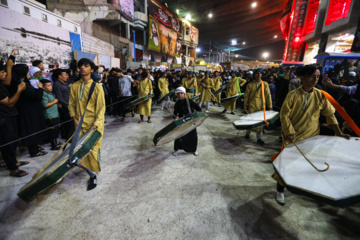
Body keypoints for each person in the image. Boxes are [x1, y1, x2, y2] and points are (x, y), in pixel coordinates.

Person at [274, 65, 351, 205]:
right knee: (286, 164)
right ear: (302, 78)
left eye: (318, 76)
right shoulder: (292, 95)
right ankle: (280, 189)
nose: (316, 79)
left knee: (304, 164)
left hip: (312, 137)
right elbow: (284, 115)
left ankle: (299, 186)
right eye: (313, 76)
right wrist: (289, 131)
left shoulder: (320, 95)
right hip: (293, 136)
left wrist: (339, 132)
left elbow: (330, 114)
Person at [68, 58, 105, 173]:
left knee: (93, 149)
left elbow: (101, 108)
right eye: (81, 66)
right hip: (79, 124)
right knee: (81, 148)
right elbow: (71, 105)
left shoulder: (97, 87)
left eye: (86, 65)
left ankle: (93, 171)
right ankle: (85, 168)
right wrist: (74, 120)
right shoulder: (74, 86)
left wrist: (96, 124)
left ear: (92, 69)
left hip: (94, 125)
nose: (83, 68)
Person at [0, 59, 29, 177]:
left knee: (12, 142)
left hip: (9, 116)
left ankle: (13, 162)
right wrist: (19, 90)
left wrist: (9, 67)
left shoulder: (1, 84)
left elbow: (7, 82)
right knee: (7, 143)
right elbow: (10, 103)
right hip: (3, 118)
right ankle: (13, 169)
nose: (5, 74)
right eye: (2, 72)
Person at [13, 64, 48, 157]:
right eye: (26, 72)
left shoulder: (25, 82)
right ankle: (34, 150)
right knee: (31, 130)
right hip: (29, 111)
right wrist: (40, 88)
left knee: (34, 129)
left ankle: (35, 147)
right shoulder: (22, 85)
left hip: (32, 110)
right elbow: (36, 97)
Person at [243, 68, 272, 145]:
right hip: (252, 105)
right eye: (257, 73)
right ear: (254, 74)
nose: (259, 75)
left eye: (260, 73)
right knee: (250, 120)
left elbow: (268, 95)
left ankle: (259, 139)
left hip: (261, 106)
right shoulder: (250, 84)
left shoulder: (264, 84)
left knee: (260, 123)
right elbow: (246, 96)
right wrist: (245, 105)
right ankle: (247, 134)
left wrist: (270, 105)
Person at [172, 87, 202, 156]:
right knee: (178, 136)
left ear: (184, 94)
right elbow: (174, 114)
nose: (180, 95)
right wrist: (176, 116)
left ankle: (194, 150)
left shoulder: (189, 101)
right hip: (181, 122)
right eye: (178, 94)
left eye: (181, 93)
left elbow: (199, 109)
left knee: (193, 136)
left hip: (191, 121)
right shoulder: (176, 104)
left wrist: (197, 118)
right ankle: (176, 150)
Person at [40, 79, 61, 150]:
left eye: (50, 85)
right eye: (48, 86)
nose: (50, 87)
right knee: (53, 131)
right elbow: (45, 105)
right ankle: (53, 145)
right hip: (50, 116)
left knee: (55, 130)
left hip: (54, 115)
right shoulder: (44, 94)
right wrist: (55, 101)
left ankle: (55, 142)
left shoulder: (49, 93)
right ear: (43, 87)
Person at [52, 69, 71, 139]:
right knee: (66, 122)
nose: (67, 76)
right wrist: (67, 105)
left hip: (68, 105)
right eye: (65, 75)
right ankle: (66, 136)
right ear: (59, 76)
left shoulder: (65, 83)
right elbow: (59, 98)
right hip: (64, 106)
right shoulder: (57, 84)